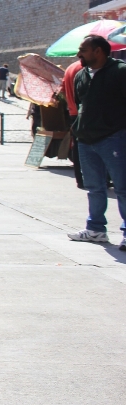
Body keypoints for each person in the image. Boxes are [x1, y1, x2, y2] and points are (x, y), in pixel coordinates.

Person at [67, 35, 126, 247]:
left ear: (98, 51)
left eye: (83, 50)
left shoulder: (120, 71)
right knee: (94, 187)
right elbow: (80, 104)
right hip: (86, 140)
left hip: (114, 138)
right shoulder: (81, 75)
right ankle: (96, 229)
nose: (78, 54)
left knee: (122, 187)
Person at [62, 59, 85, 189]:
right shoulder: (84, 69)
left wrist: (70, 105)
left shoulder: (70, 67)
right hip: (84, 112)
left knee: (77, 145)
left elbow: (62, 90)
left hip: (73, 112)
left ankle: (80, 178)